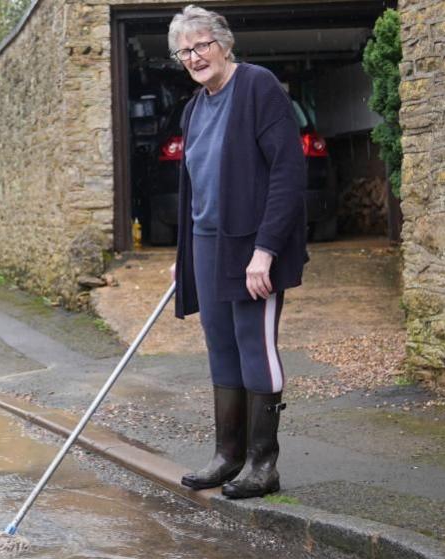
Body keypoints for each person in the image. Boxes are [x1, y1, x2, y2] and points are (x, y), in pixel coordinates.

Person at [167, 5, 307, 499]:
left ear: (223, 44)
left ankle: (262, 464)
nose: (194, 57)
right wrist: (184, 255)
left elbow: (289, 172)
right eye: (184, 51)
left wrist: (265, 251)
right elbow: (195, 187)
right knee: (221, 346)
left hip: (252, 246)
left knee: (254, 345)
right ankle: (228, 456)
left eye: (201, 45)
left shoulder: (257, 86)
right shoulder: (193, 108)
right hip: (207, 244)